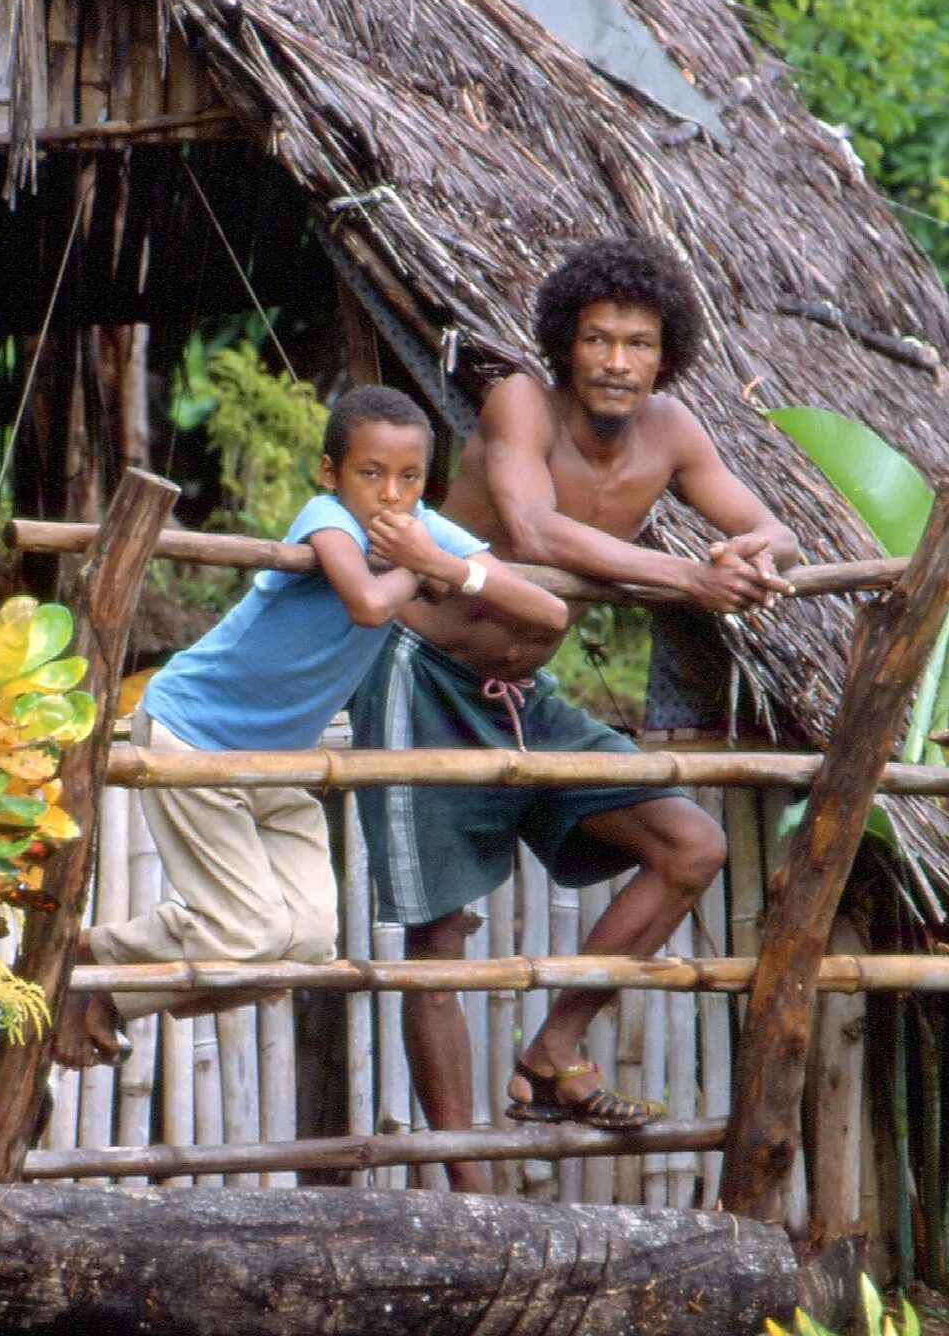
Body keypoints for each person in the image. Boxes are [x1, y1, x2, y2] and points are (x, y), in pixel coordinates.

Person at [350, 237, 799, 1191]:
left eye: (638, 344)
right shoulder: (521, 400)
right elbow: (530, 531)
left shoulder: (674, 433)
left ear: (665, 354)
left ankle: (554, 1046)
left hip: (526, 701)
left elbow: (770, 526)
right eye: (598, 340)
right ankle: (470, 1192)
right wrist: (691, 574)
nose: (617, 362)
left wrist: (754, 555)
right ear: (565, 345)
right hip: (423, 676)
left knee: (690, 844)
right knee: (438, 936)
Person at [54, 386, 568, 1068]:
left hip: (278, 763)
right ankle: (86, 956)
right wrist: (423, 571)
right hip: (195, 736)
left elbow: (548, 613)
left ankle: (106, 990)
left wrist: (446, 565)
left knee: (303, 946)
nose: (391, 494)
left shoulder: (423, 534)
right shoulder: (324, 518)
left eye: (409, 478)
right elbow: (363, 602)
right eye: (371, 473)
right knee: (250, 935)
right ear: (331, 474)